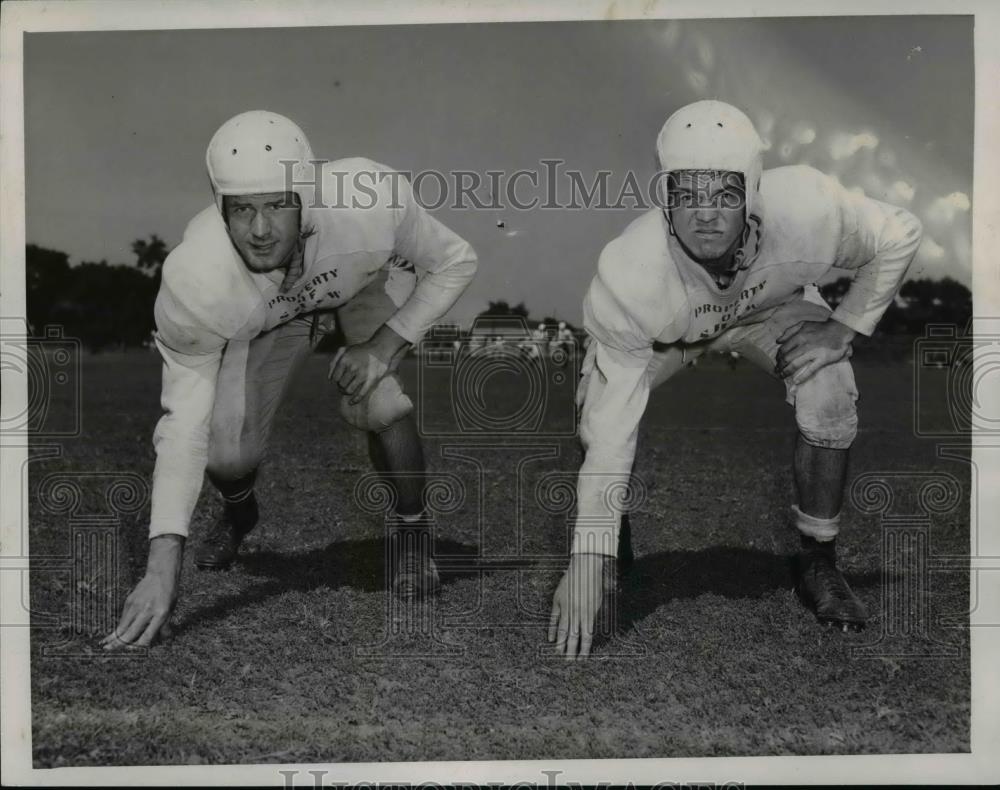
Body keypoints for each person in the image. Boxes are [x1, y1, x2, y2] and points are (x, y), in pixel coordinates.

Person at [549, 100, 922, 659]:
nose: (705, 214)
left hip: (772, 311)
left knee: (831, 392)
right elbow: (612, 429)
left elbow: (901, 232)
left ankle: (818, 559)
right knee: (596, 402)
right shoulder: (632, 271)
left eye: (723, 194)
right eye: (687, 195)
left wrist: (843, 328)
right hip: (673, 333)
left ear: (752, 190)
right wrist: (587, 555)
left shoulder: (808, 208)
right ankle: (614, 543)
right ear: (664, 197)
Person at [103, 111, 477, 650]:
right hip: (272, 316)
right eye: (242, 209)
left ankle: (413, 534)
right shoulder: (197, 280)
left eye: (276, 204)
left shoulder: (368, 201)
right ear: (219, 206)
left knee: (385, 404)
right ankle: (240, 514)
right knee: (226, 454)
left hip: (356, 286)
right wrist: (163, 566)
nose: (259, 230)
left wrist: (383, 346)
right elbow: (183, 421)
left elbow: (456, 261)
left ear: (305, 194)